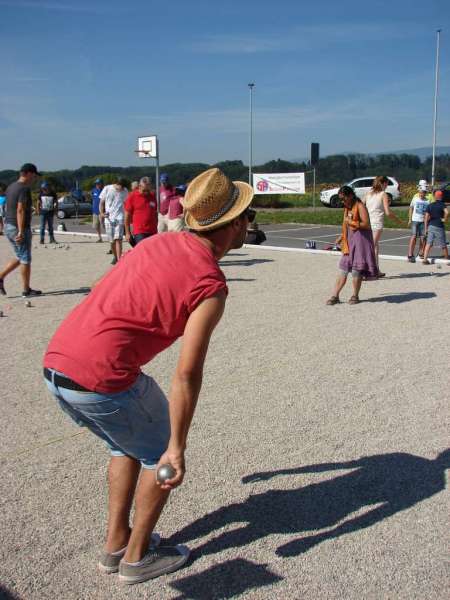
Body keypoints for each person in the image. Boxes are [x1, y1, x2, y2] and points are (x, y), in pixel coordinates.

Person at [43, 167, 255, 584]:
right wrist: (176, 447)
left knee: (125, 447)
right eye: (248, 215)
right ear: (233, 224)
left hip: (57, 364)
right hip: (102, 378)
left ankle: (114, 545)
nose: (251, 222)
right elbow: (187, 374)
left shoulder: (158, 242)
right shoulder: (209, 285)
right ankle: (137, 559)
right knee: (157, 453)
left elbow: (104, 288)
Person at [326, 186, 377, 305]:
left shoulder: (360, 206)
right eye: (341, 200)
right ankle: (335, 295)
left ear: (350, 196)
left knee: (356, 271)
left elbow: (366, 224)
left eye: (344, 199)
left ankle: (355, 295)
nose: (342, 202)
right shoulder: (347, 208)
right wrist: (342, 236)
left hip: (360, 242)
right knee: (343, 269)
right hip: (349, 242)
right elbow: (346, 225)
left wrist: (352, 222)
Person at [0, 163, 42, 297]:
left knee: (20, 256)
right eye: (34, 175)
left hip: (8, 225)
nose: (35, 178)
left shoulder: (11, 187)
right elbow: (20, 209)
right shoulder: (24, 189)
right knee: (25, 259)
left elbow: (8, 207)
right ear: (28, 173)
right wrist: (20, 231)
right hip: (17, 227)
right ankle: (26, 290)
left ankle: (0, 277)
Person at [362, 175, 402, 277]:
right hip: (376, 224)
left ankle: (376, 270)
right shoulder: (383, 194)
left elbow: (361, 206)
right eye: (387, 184)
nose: (387, 186)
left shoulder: (368, 193)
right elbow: (388, 212)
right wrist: (398, 220)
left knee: (375, 247)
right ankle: (365, 271)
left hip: (368, 223)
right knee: (371, 247)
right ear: (383, 183)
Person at [99, 178, 128, 265]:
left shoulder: (125, 191)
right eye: (120, 187)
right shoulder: (107, 188)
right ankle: (115, 256)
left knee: (118, 239)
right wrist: (102, 213)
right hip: (109, 219)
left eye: (123, 187)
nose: (121, 189)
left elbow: (127, 203)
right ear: (116, 184)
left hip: (120, 218)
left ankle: (119, 261)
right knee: (112, 241)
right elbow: (101, 202)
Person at [124, 176, 157, 245]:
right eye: (144, 190)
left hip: (152, 231)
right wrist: (127, 233)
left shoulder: (152, 196)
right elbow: (127, 216)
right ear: (139, 186)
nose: (146, 193)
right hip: (140, 231)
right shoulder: (132, 196)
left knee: (151, 253)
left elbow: (155, 213)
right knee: (142, 252)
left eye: (148, 190)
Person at [422, 190, 449, 265]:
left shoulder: (430, 205)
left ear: (435, 196)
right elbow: (447, 212)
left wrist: (425, 228)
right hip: (439, 226)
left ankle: (425, 259)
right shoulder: (442, 204)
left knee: (429, 243)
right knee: (443, 244)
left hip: (431, 226)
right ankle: (447, 260)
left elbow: (426, 217)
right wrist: (444, 219)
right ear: (441, 196)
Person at [407, 184, 430, 262]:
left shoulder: (427, 201)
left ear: (425, 193)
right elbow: (411, 208)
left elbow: (428, 213)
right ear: (419, 192)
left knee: (423, 238)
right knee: (413, 237)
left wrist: (428, 221)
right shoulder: (415, 199)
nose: (422, 193)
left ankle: (421, 252)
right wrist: (410, 219)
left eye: (423, 192)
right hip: (415, 220)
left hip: (423, 221)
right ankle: (410, 254)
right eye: (420, 192)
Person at [91, 178, 104, 243]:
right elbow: (93, 199)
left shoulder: (104, 190)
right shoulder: (94, 190)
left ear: (101, 184)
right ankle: (100, 238)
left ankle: (110, 237)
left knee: (104, 225)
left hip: (102, 211)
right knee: (96, 226)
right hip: (95, 211)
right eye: (96, 184)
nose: (97, 185)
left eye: (98, 183)